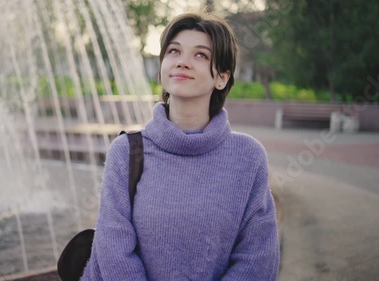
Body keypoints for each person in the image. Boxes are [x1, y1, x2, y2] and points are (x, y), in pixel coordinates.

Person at [81, 11, 280, 281]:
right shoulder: (126, 152)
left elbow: (258, 258)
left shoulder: (248, 157)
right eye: (174, 51)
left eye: (200, 55)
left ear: (222, 77)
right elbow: (113, 249)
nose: (183, 62)